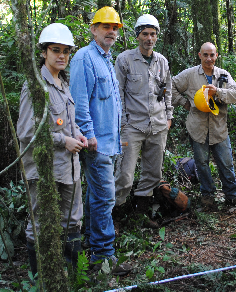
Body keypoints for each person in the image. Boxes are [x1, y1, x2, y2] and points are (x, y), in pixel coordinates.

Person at [17, 23, 87, 278]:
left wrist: (77, 134)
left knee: (72, 220)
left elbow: (68, 120)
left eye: (66, 51)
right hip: (45, 168)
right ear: (44, 52)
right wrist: (62, 140)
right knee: (40, 224)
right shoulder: (36, 86)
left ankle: (71, 276)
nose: (62, 56)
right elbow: (26, 132)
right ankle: (41, 279)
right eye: (56, 50)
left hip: (69, 167)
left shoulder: (63, 82)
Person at [70, 6, 130, 274]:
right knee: (105, 197)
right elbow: (80, 102)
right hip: (97, 143)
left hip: (110, 141)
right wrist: (89, 134)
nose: (111, 32)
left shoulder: (106, 58)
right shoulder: (84, 58)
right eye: (106, 27)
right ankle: (103, 256)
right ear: (93, 29)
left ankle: (92, 245)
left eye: (115, 28)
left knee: (97, 196)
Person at [171, 42, 236, 209]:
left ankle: (232, 195)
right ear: (199, 55)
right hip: (197, 128)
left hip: (219, 128)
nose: (209, 58)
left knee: (226, 163)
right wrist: (185, 103)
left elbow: (235, 94)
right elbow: (171, 86)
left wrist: (218, 92)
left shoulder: (223, 75)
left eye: (212, 55)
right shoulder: (190, 74)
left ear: (216, 56)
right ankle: (207, 196)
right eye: (205, 55)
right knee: (202, 164)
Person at [114, 14, 173, 228]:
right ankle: (116, 216)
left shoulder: (162, 61)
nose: (149, 38)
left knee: (152, 173)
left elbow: (167, 91)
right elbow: (117, 93)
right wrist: (122, 122)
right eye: (145, 34)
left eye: (153, 34)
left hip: (158, 126)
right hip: (132, 126)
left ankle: (140, 214)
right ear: (137, 35)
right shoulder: (125, 60)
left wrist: (168, 117)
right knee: (125, 174)